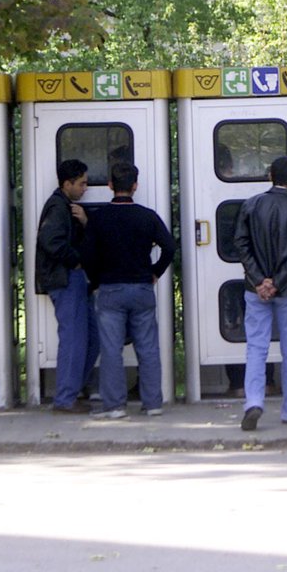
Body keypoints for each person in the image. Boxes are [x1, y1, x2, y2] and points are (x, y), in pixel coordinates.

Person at [84, 161, 175, 419]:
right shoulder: (147, 216)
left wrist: (96, 280)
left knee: (111, 349)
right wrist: (155, 272)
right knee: (147, 347)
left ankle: (115, 407)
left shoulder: (99, 218)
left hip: (110, 289)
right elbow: (169, 247)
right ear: (135, 186)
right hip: (142, 288)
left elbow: (88, 255)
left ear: (110, 185)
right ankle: (153, 403)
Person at [232, 156, 287, 430]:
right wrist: (277, 281)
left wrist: (259, 280)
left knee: (256, 347)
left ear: (269, 175)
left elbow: (241, 244)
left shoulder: (251, 205)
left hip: (255, 290)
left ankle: (254, 401)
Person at [36, 159, 98, 414]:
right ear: (67, 183)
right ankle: (65, 398)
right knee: (74, 339)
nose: (85, 188)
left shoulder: (67, 206)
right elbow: (50, 240)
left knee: (91, 339)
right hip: (65, 279)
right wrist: (76, 261)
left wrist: (86, 221)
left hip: (72, 279)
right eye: (81, 183)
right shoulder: (57, 207)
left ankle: (72, 389)